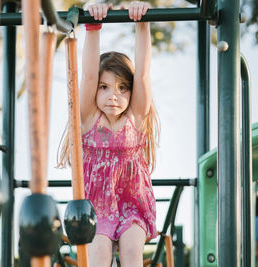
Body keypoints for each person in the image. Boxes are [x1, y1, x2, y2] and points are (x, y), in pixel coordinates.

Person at [58, 2, 160, 266]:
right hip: (95, 209)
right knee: (99, 253)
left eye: (123, 88)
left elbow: (144, 75)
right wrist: (93, 28)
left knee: (131, 251)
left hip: (133, 207)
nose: (113, 95)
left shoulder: (135, 118)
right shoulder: (89, 118)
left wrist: (142, 24)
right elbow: (89, 76)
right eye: (105, 87)